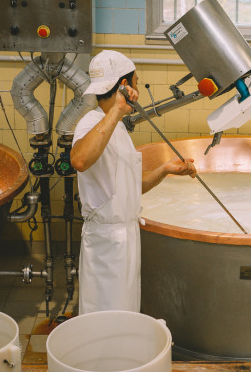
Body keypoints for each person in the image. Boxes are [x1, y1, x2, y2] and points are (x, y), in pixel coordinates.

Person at [71, 50, 197, 314]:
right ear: (125, 87)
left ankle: (119, 354)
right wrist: (117, 108)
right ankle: (100, 356)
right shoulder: (91, 122)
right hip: (106, 244)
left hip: (125, 237)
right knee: (104, 316)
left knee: (123, 314)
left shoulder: (116, 127)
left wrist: (165, 170)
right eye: (136, 82)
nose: (138, 88)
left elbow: (131, 188)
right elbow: (80, 160)